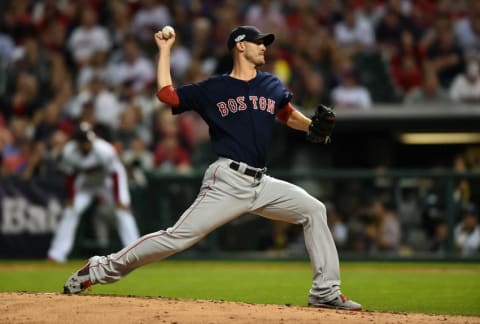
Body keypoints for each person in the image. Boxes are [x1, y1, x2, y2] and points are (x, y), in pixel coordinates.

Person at [63, 25, 362, 311]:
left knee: (314, 210)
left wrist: (310, 125)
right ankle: (100, 267)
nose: (264, 47)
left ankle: (325, 292)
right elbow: (167, 95)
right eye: (259, 42)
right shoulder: (214, 88)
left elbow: (284, 112)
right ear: (240, 46)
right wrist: (165, 50)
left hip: (262, 182)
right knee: (176, 237)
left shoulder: (270, 83)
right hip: (227, 180)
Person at [47, 122, 140, 262]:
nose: (87, 143)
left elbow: (116, 174)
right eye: (83, 140)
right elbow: (69, 176)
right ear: (77, 141)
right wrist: (71, 197)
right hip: (86, 184)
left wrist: (119, 199)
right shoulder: (69, 151)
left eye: (88, 140)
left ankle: (136, 253)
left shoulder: (104, 149)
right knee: (70, 211)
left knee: (123, 211)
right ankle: (56, 254)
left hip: (107, 182)